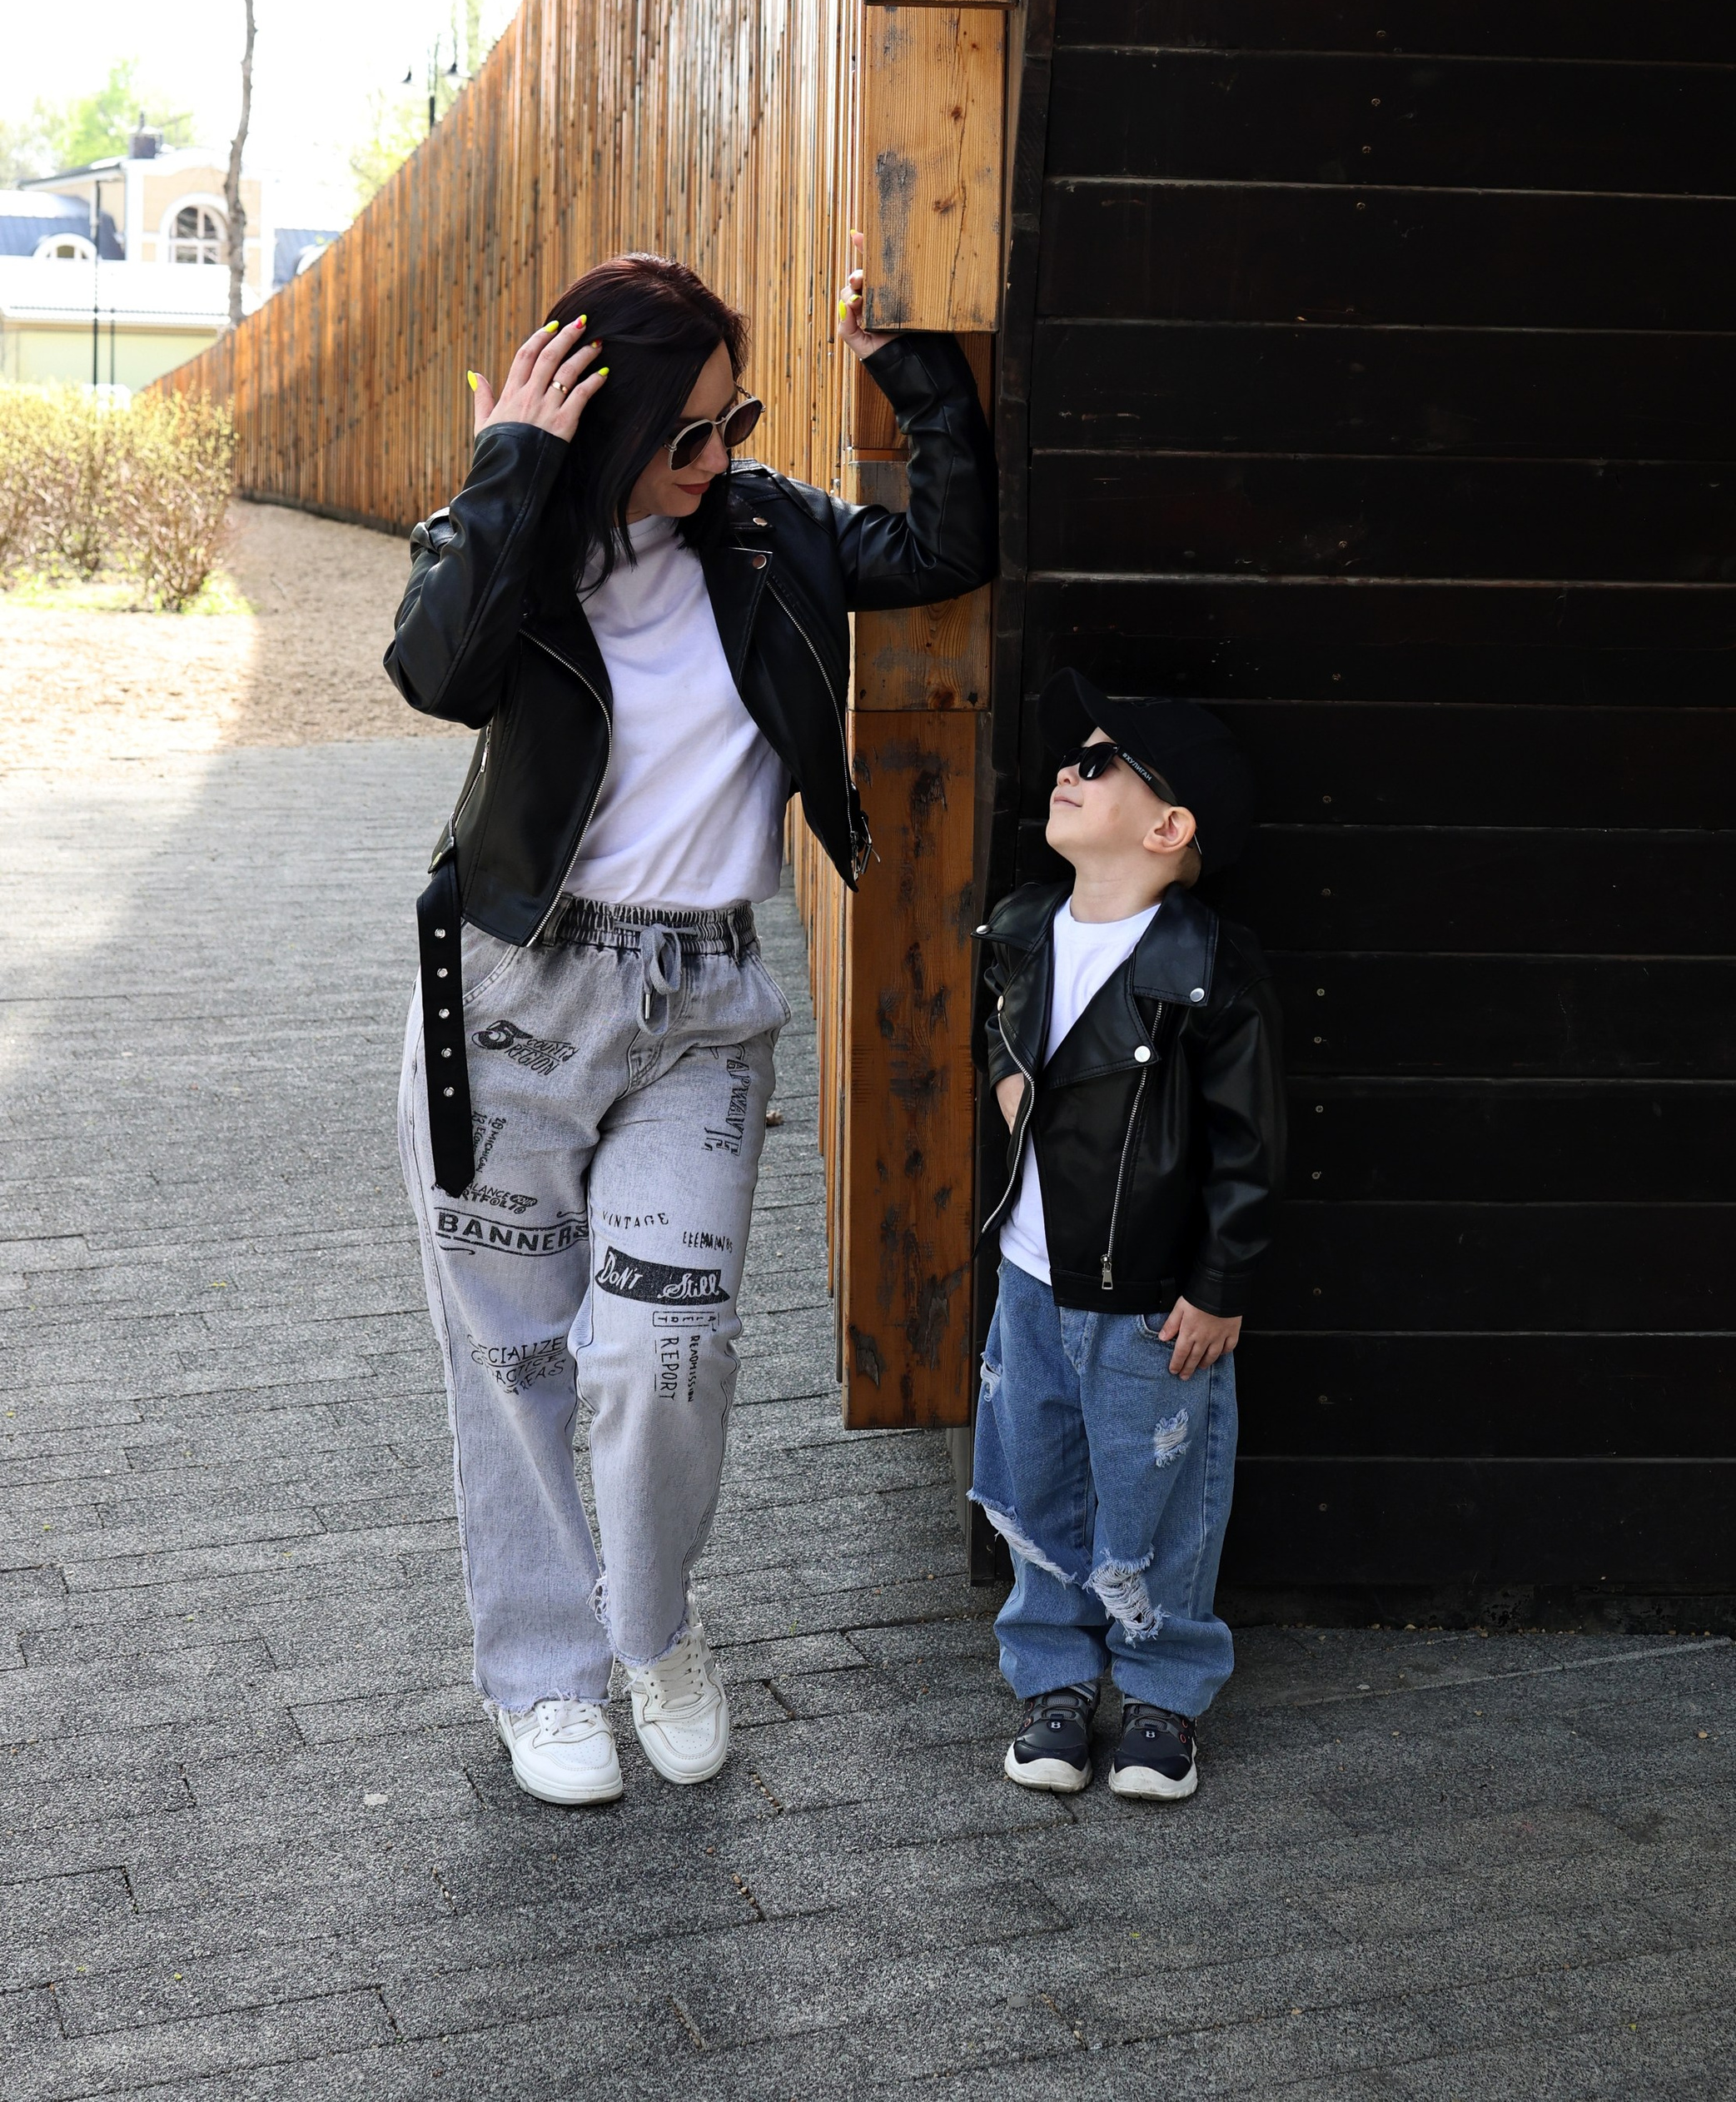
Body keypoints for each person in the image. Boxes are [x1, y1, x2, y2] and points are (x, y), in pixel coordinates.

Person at [385, 243, 995, 1806]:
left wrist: (914, 360)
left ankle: (652, 1629)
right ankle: (542, 1678)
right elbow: (433, 670)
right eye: (690, 435)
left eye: (740, 421)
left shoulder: (769, 528)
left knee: (666, 1351)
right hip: (515, 999)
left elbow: (946, 545)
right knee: (514, 1361)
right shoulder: (510, 541)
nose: (723, 459)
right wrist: (511, 466)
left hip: (702, 1012)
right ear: (606, 430)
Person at [971, 669, 1284, 1802]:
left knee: (1163, 1491)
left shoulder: (1204, 969)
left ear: (1168, 826)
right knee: (1037, 1477)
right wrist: (1008, 1083)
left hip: (1155, 1297)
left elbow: (1250, 1145)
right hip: (1029, 1279)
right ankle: (1054, 1678)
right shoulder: (1019, 932)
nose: (1068, 767)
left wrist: (1221, 1281)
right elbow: (1003, 1046)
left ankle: (1162, 1689)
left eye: (1097, 762)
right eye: (1074, 755)